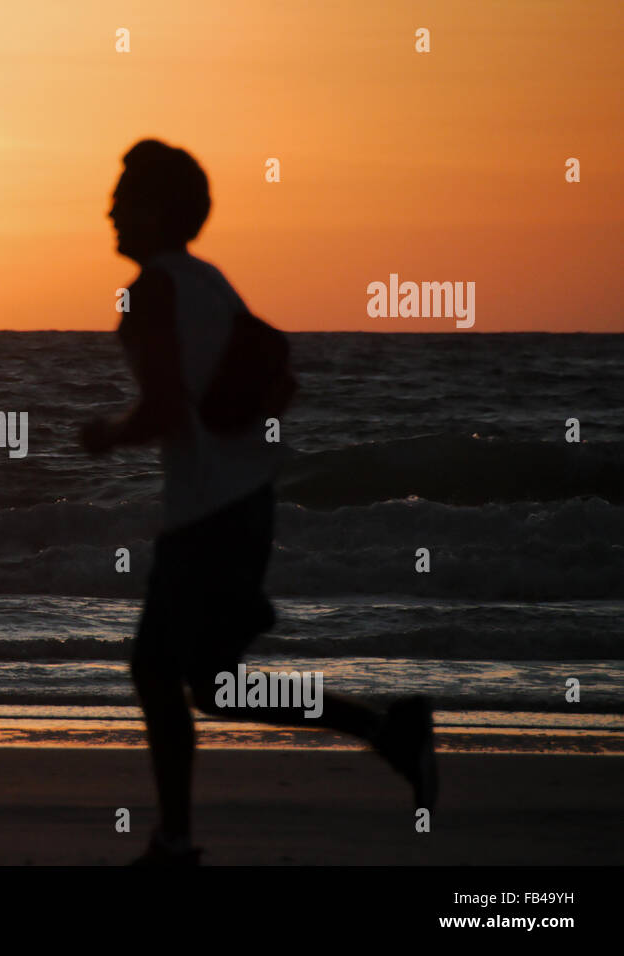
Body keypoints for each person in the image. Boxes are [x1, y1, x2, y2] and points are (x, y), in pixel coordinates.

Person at [81, 139, 437, 865]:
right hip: (247, 508)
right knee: (208, 685)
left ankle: (174, 843)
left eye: (125, 195)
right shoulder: (210, 281)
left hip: (206, 519)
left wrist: (106, 435)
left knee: (160, 672)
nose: (109, 207)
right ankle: (386, 733)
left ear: (157, 211)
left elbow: (165, 411)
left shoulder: (152, 288)